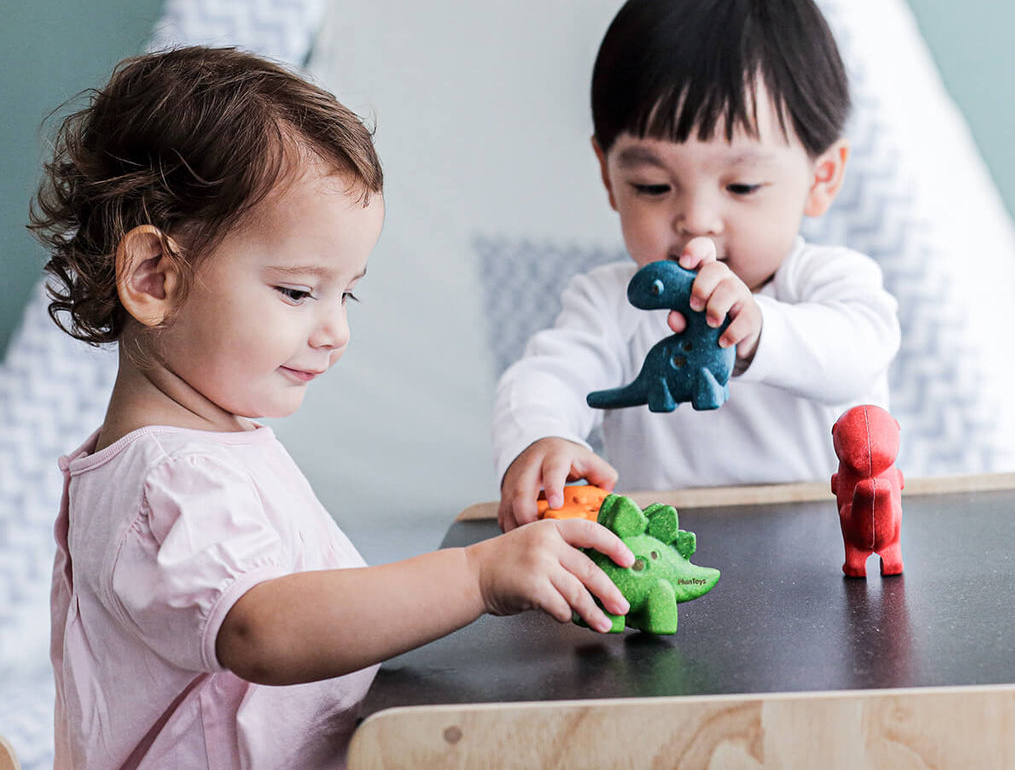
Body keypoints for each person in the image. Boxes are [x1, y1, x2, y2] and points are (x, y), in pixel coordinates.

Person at [32, 46, 633, 769]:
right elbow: (261, 627)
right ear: (155, 278)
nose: (335, 330)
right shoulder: (169, 478)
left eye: (346, 293)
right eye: (298, 292)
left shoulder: (203, 445)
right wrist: (477, 577)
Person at [493, 0, 901, 532]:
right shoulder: (609, 301)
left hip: (824, 544)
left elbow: (858, 353)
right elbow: (546, 376)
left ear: (822, 177)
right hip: (662, 545)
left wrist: (757, 331)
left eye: (742, 186)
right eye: (653, 186)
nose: (697, 220)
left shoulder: (830, 282)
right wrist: (541, 438)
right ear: (609, 177)